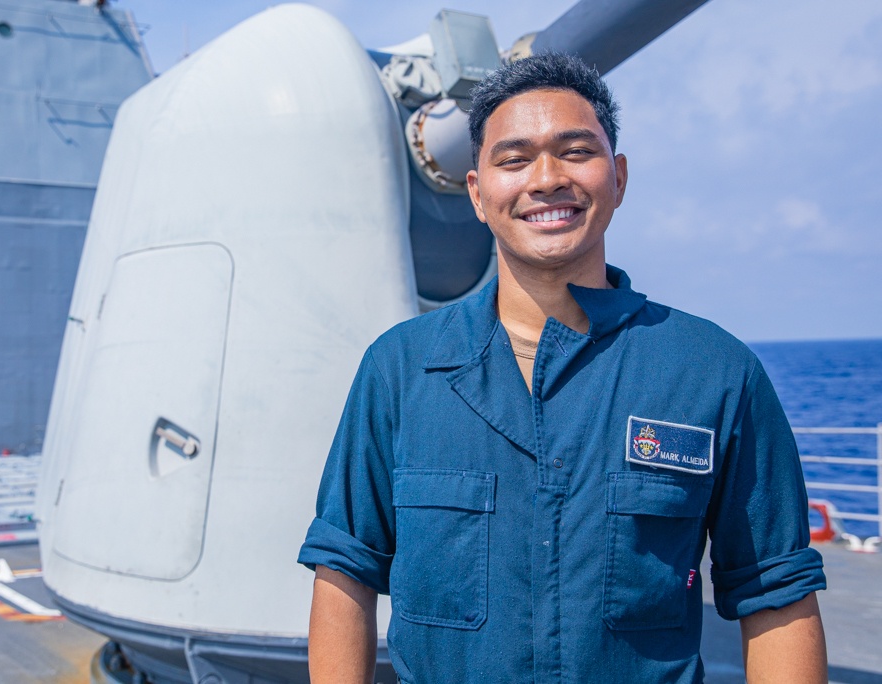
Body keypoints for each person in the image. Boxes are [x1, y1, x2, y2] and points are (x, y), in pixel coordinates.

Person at [297, 53, 828, 683]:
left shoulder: (714, 372)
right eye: (514, 159)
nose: (546, 178)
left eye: (576, 151)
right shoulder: (402, 369)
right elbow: (345, 573)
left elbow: (775, 591)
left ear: (620, 178)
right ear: (476, 192)